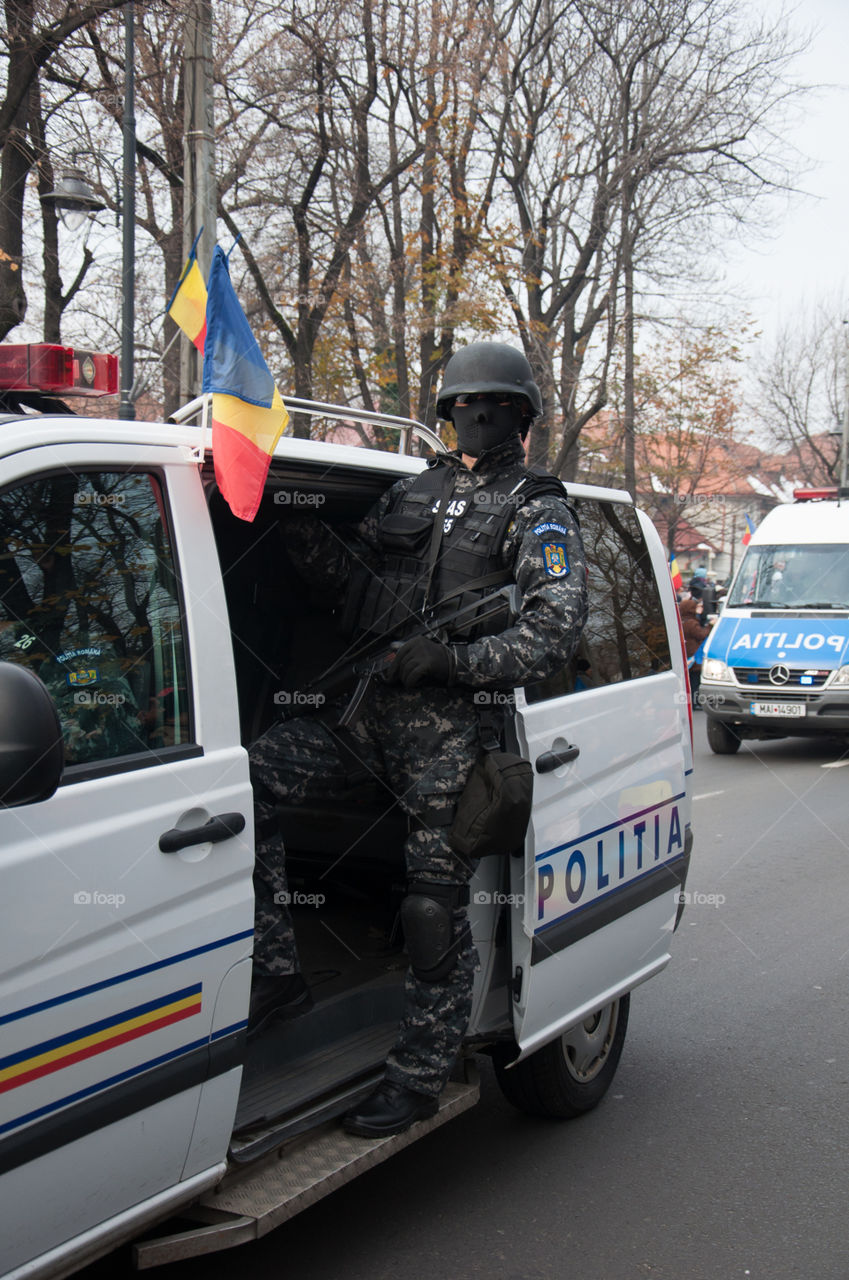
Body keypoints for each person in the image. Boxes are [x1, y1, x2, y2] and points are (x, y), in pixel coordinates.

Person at [247, 341, 588, 1138]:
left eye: (493, 406)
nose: (475, 417)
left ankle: (420, 1075)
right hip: (365, 716)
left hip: (454, 738)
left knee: (432, 911)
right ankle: (277, 969)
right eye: (464, 405)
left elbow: (555, 632)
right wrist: (293, 518)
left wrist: (456, 660)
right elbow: (350, 587)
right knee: (249, 784)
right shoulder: (412, 491)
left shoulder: (537, 508)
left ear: (521, 418)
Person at [679, 594, 712, 708]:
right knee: (695, 681)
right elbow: (701, 634)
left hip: (687, 655)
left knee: (690, 681)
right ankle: (695, 702)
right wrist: (710, 626)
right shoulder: (692, 623)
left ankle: (691, 702)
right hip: (694, 656)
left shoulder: (682, 621)